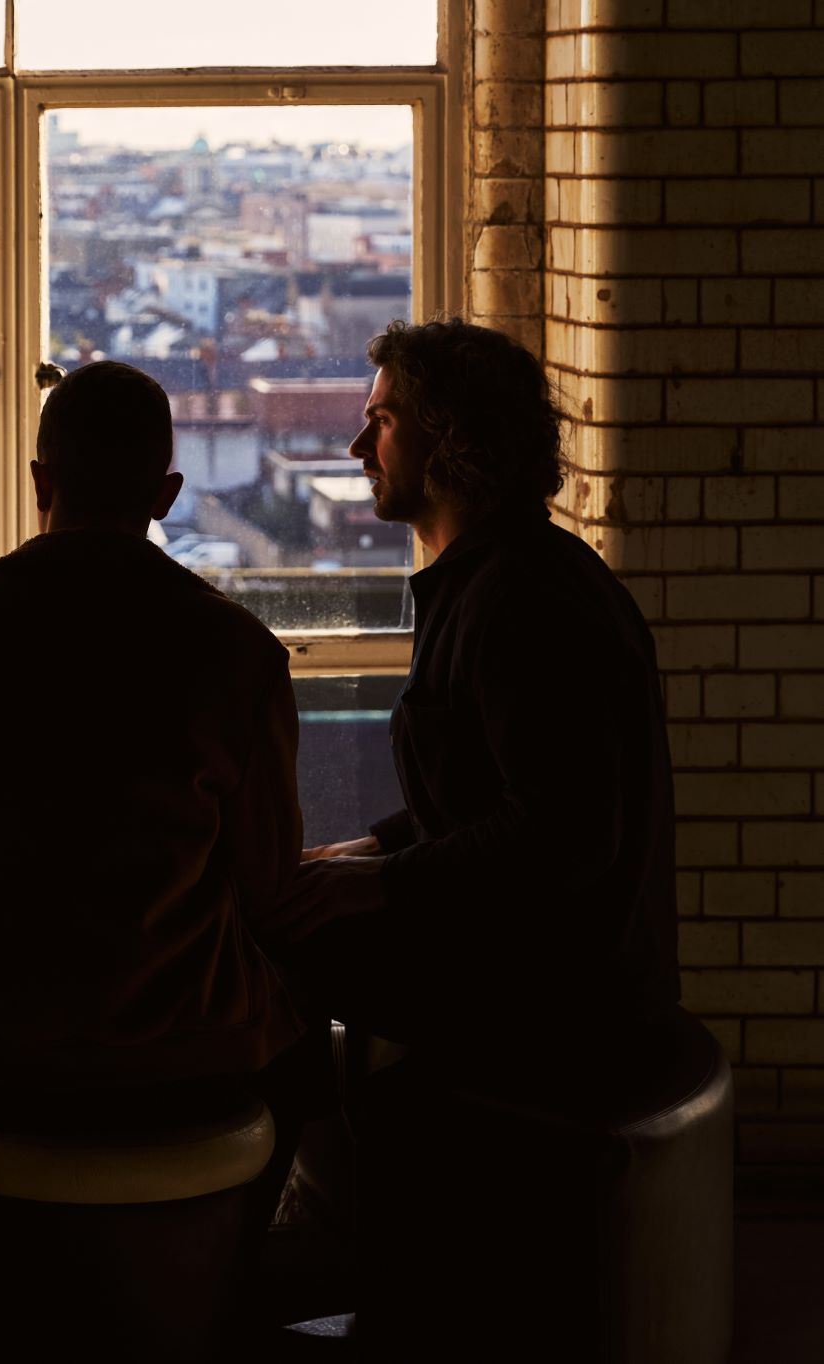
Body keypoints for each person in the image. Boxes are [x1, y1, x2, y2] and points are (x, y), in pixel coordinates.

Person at [0, 360, 328, 1250]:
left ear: (39, 482)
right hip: (181, 1057)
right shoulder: (239, 653)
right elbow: (266, 885)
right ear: (168, 493)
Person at [261, 318, 681, 1360]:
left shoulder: (520, 605)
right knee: (288, 924)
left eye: (382, 422)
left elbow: (552, 835)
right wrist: (358, 854)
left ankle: (317, 1235)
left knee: (268, 946)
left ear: (447, 442)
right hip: (537, 955)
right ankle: (342, 1224)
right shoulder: (504, 580)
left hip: (551, 986)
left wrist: (376, 885)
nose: (360, 450)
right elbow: (485, 794)